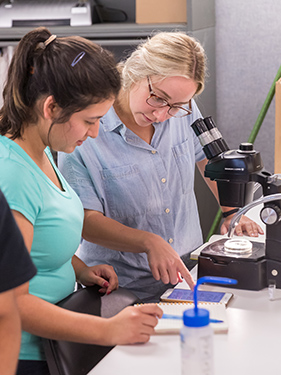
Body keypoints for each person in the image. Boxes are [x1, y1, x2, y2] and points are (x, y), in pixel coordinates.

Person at [0, 27, 162, 375]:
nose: (95, 133)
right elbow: (10, 301)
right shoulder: (11, 175)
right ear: (51, 107)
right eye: (90, 121)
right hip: (29, 356)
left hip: (58, 340)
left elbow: (29, 246)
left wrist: (77, 268)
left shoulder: (40, 153)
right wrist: (108, 330)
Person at [58, 31, 264, 303]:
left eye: (177, 106)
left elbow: (208, 160)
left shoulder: (180, 107)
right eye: (157, 98)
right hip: (122, 290)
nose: (161, 114)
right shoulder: (87, 127)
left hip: (187, 275)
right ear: (135, 72)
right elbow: (85, 221)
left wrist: (232, 212)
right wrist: (148, 241)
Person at [0, 190, 37, 375]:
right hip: (30, 350)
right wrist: (108, 331)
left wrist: (79, 269)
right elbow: (13, 304)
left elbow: (6, 312)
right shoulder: (15, 179)